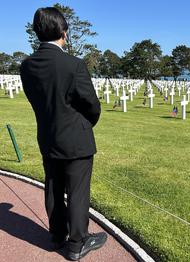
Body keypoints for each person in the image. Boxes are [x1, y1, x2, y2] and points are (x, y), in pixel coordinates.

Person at [20, 7, 107, 261]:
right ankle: (78, 242)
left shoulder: (26, 66)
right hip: (76, 139)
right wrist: (86, 123)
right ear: (64, 33)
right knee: (78, 191)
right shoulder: (74, 65)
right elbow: (91, 104)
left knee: (53, 187)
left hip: (47, 136)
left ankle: (58, 235)